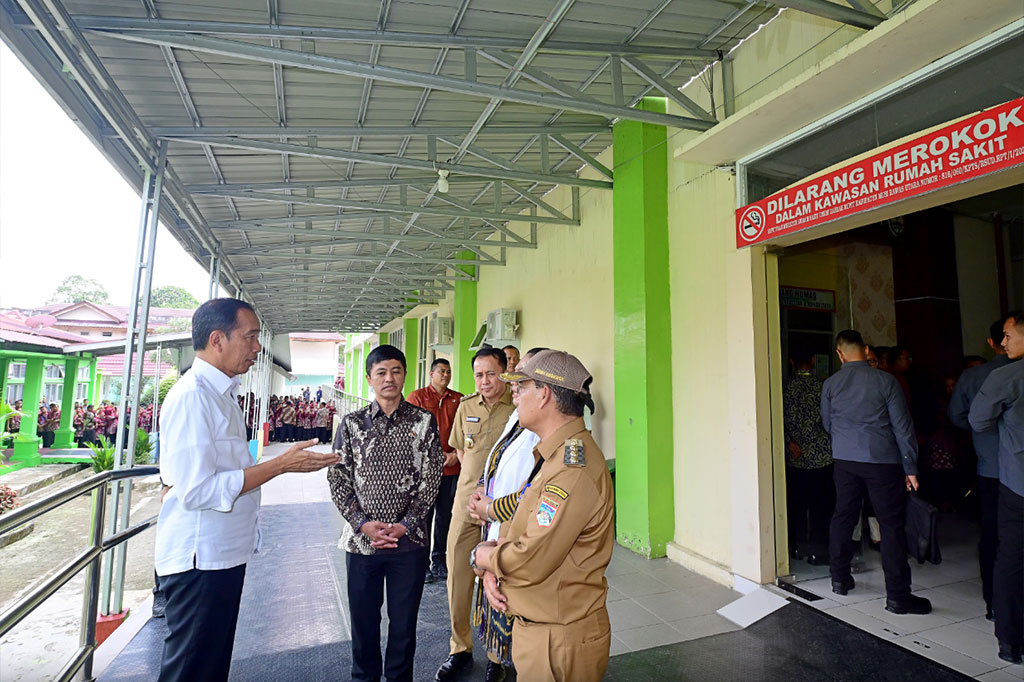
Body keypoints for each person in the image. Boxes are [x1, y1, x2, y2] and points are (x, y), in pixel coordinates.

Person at [154, 298, 339, 682]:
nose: (257, 347)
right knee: (191, 668)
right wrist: (280, 465)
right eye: (250, 336)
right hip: (199, 558)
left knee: (211, 664)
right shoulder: (194, 397)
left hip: (219, 554)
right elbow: (197, 490)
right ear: (217, 339)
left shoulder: (221, 393)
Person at [472, 350, 612, 682]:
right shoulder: (552, 455)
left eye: (521, 386)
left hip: (558, 642)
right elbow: (521, 524)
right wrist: (494, 570)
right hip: (541, 631)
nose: (514, 394)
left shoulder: (571, 468)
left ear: (545, 394)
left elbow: (531, 558)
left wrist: (480, 557)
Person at [328, 344, 443, 682]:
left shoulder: (424, 422)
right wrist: (362, 524)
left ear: (405, 374)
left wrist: (405, 525)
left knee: (404, 624)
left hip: (409, 544)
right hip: (361, 544)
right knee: (363, 625)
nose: (389, 378)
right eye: (381, 372)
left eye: (395, 370)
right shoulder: (350, 425)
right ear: (369, 379)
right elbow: (338, 479)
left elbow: (432, 478)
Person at [821, 330, 931, 615]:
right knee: (890, 525)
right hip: (882, 461)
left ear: (839, 353)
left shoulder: (831, 384)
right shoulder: (886, 381)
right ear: (866, 350)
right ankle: (897, 597)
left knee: (843, 516)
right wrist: (910, 467)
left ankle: (840, 580)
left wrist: (847, 442)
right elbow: (902, 427)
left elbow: (827, 423)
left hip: (844, 460)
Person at [436, 348, 515, 682]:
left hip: (503, 512)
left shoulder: (519, 405)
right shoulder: (466, 406)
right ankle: (460, 649)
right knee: (457, 580)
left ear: (505, 372)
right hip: (465, 507)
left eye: (491, 374)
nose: (485, 381)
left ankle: (497, 655)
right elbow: (459, 448)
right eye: (479, 375)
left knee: (499, 581)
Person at [465, 347, 546, 673]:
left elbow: (532, 494)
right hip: (496, 532)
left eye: (520, 378)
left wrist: (489, 509)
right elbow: (499, 461)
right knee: (500, 631)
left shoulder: (547, 433)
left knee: (522, 646)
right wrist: (485, 487)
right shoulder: (518, 416)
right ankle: (499, 664)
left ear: (544, 390)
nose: (511, 381)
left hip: (513, 541)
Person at [950, 318, 1014, 621]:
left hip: (990, 468)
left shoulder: (974, 376)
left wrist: (981, 432)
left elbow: (958, 415)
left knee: (992, 535)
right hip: (1012, 469)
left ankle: (994, 601)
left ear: (992, 343)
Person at [970, 312, 1024, 665]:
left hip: (1017, 482)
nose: (1002, 343)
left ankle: (1010, 641)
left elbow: (977, 419)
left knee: (1011, 560)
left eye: (1007, 335)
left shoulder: (1005, 376)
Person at [407, 358, 464, 583]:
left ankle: (440, 560)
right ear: (431, 374)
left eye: (449, 372)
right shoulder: (418, 397)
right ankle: (423, 564)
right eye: (441, 371)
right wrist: (430, 455)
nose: (446, 375)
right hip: (425, 471)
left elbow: (465, 431)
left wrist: (454, 455)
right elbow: (411, 431)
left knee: (445, 517)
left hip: (451, 469)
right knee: (424, 517)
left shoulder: (458, 399)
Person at [783, 345, 834, 564]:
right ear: (814, 360)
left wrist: (788, 441)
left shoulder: (783, 387)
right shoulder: (823, 387)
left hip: (795, 456)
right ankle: (819, 551)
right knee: (821, 506)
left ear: (791, 362)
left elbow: (777, 419)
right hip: (822, 456)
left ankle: (796, 547)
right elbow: (831, 420)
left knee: (796, 505)